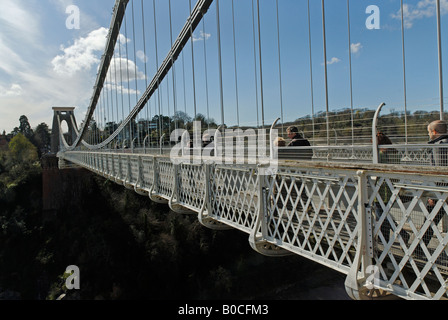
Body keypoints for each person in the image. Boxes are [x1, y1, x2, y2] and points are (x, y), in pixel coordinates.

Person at [419, 120, 448, 259]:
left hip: (441, 193)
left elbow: (437, 171)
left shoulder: (439, 146)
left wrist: (433, 194)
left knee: (429, 221)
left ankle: (419, 250)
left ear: (434, 132)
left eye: (429, 132)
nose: (429, 134)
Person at [374, 132, 409, 245]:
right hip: (393, 186)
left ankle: (402, 234)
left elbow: (377, 171)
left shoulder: (379, 154)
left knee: (381, 214)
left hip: (382, 188)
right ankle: (384, 239)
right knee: (383, 213)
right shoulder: (395, 153)